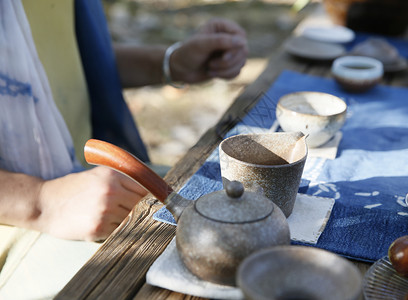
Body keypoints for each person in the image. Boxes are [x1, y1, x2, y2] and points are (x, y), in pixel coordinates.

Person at [0, 0, 248, 298]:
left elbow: (64, 61)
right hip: (22, 215)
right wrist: (43, 200)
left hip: (87, 185)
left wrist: (170, 62)